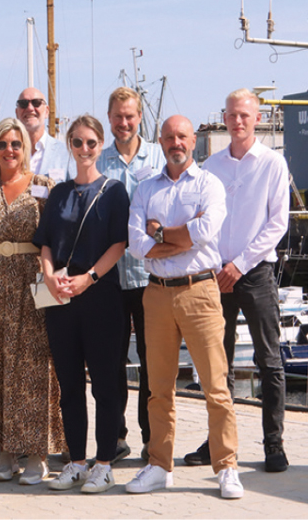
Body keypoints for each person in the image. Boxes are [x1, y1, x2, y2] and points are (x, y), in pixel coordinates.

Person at [126, 115, 243, 499]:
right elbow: (137, 246)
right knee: (158, 388)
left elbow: (205, 232)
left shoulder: (211, 185)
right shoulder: (145, 190)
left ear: (193, 141)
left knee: (215, 385)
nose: (176, 142)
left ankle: (226, 466)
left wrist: (159, 231)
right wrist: (181, 236)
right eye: (169, 137)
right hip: (157, 292)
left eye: (182, 137)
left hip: (200, 291)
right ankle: (159, 464)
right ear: (159, 141)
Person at [0, 118, 66, 485]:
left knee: (33, 368)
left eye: (16, 144)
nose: (9, 151)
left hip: (32, 283)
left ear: (26, 149)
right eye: (2, 144)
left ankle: (36, 453)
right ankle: (3, 450)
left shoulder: (42, 188)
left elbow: (54, 241)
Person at [33, 115, 129, 494]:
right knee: (69, 384)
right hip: (60, 298)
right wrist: (49, 274)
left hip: (100, 296)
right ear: (69, 146)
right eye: (77, 143)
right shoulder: (58, 193)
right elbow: (44, 242)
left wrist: (88, 278)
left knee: (105, 385)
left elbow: (118, 245)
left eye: (91, 143)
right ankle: (75, 460)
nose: (85, 149)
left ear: (100, 145)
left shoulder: (114, 191)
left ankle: (104, 462)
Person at [196, 88, 289, 472]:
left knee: (269, 362)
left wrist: (241, 264)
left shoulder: (272, 164)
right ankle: (216, 442)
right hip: (216, 274)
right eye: (232, 115)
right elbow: (204, 218)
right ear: (225, 116)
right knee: (218, 364)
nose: (237, 122)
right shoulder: (211, 166)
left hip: (256, 274)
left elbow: (277, 223)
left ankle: (274, 445)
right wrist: (219, 265)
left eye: (244, 116)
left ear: (258, 118)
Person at [97, 87, 166, 463]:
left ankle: (150, 437)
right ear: (109, 118)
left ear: (140, 117)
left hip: (149, 276)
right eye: (117, 116)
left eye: (130, 116)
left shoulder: (157, 156)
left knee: (152, 360)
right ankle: (116, 436)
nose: (124, 123)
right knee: (111, 362)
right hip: (109, 279)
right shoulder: (98, 159)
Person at [15, 87, 75, 184]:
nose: (30, 108)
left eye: (36, 103)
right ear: (17, 113)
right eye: (23, 104)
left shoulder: (67, 154)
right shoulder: (5, 154)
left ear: (46, 111)